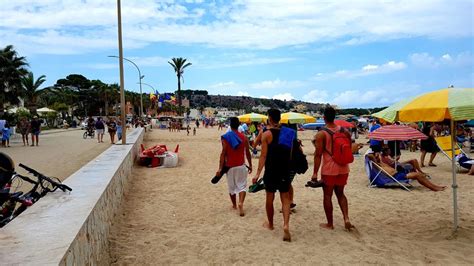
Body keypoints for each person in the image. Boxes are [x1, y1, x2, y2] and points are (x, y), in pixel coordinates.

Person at [310, 107, 353, 231]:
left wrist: (314, 173)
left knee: (327, 196)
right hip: (344, 168)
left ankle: (330, 224)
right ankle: (346, 218)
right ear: (335, 117)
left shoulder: (321, 134)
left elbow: (318, 155)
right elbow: (348, 149)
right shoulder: (345, 132)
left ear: (324, 117)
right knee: (341, 194)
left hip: (329, 169)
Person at [252, 109, 292, 242]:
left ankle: (271, 224)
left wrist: (257, 173)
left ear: (269, 118)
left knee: (270, 197)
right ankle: (286, 225)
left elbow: (263, 155)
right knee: (285, 198)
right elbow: (290, 154)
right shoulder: (289, 133)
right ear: (280, 118)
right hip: (285, 169)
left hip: (271, 170)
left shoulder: (267, 134)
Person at [216, 117, 252, 217]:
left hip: (229, 166)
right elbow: (248, 153)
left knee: (231, 188)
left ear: (230, 125)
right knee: (242, 186)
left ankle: (235, 205)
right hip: (241, 165)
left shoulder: (225, 137)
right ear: (239, 125)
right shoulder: (244, 137)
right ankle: (241, 202)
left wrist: (220, 168)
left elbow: (223, 154)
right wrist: (250, 165)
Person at [374, 153, 446, 191]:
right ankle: (434, 188)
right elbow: (370, 156)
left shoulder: (382, 163)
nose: (377, 157)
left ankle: (435, 186)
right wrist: (375, 157)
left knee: (420, 175)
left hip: (399, 173)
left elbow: (379, 157)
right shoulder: (377, 165)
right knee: (418, 175)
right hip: (397, 176)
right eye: (376, 157)